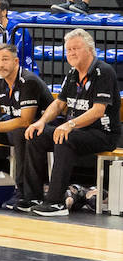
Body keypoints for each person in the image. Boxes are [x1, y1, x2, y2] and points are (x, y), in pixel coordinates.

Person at [22, 28, 120, 215]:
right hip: (77, 131)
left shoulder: (104, 72)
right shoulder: (73, 73)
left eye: (76, 48)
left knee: (64, 137)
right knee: (36, 135)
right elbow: (58, 104)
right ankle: (32, 196)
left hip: (103, 133)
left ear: (90, 50)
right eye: (68, 50)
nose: (71, 53)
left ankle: (56, 202)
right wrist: (41, 122)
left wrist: (70, 124)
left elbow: (98, 111)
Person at [0, 43, 51, 205]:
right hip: (13, 124)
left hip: (41, 127)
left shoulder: (28, 81)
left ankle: (23, 190)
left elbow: (26, 120)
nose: (1, 64)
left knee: (21, 132)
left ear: (16, 61)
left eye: (5, 59)